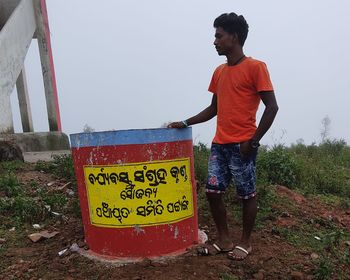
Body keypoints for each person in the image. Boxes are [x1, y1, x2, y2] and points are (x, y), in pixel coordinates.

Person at [167, 12, 278, 260]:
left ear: (234, 37)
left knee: (246, 194)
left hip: (243, 145)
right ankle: (224, 240)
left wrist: (254, 140)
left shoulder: (256, 67)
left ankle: (245, 243)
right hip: (219, 144)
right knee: (212, 192)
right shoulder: (219, 72)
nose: (214, 41)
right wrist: (185, 122)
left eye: (219, 36)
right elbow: (213, 109)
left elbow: (272, 107)